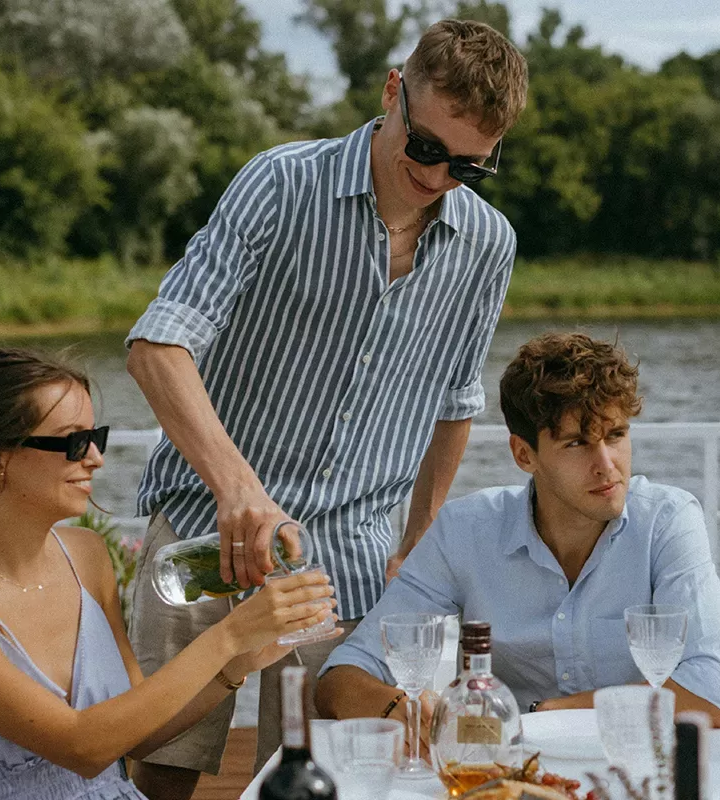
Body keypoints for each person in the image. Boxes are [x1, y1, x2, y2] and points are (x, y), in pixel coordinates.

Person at [120, 19, 529, 798]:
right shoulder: (280, 184)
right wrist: (240, 491)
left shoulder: (489, 243)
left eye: (468, 167)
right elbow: (157, 347)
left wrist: (419, 542)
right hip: (208, 535)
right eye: (427, 148)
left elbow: (455, 398)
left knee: (330, 781)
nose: (439, 178)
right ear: (390, 93)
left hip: (345, 562)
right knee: (164, 770)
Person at [0, 348, 337, 800]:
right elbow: (82, 746)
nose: (96, 458)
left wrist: (238, 664)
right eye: (73, 442)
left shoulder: (87, 555)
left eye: (95, 436)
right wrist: (229, 636)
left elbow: (136, 737)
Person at [316, 332, 720, 740]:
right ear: (524, 454)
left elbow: (715, 689)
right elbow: (340, 679)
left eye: (615, 435)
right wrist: (400, 711)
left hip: (638, 762)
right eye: (577, 444)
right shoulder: (465, 530)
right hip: (512, 771)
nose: (607, 465)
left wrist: (547, 713)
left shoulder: (667, 521)